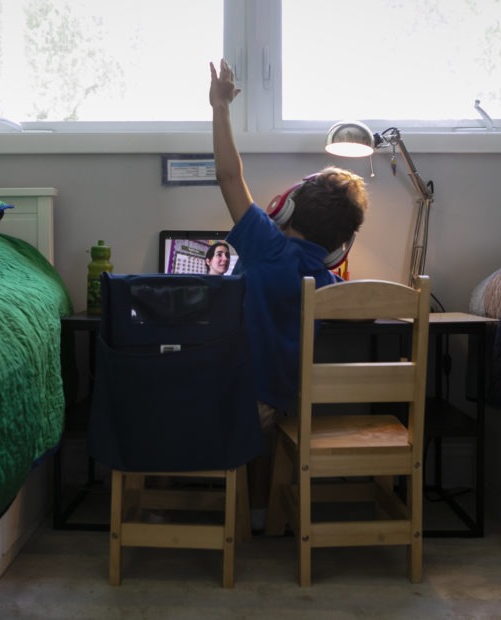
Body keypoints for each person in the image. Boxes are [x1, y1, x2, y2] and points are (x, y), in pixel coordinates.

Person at [209, 58, 367, 532]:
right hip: (276, 404)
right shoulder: (324, 279)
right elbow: (360, 309)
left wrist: (220, 107)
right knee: (274, 419)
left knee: (228, 402)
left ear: (283, 208)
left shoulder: (265, 243)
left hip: (228, 394)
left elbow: (228, 177)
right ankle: (261, 513)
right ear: (341, 246)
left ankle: (183, 501)